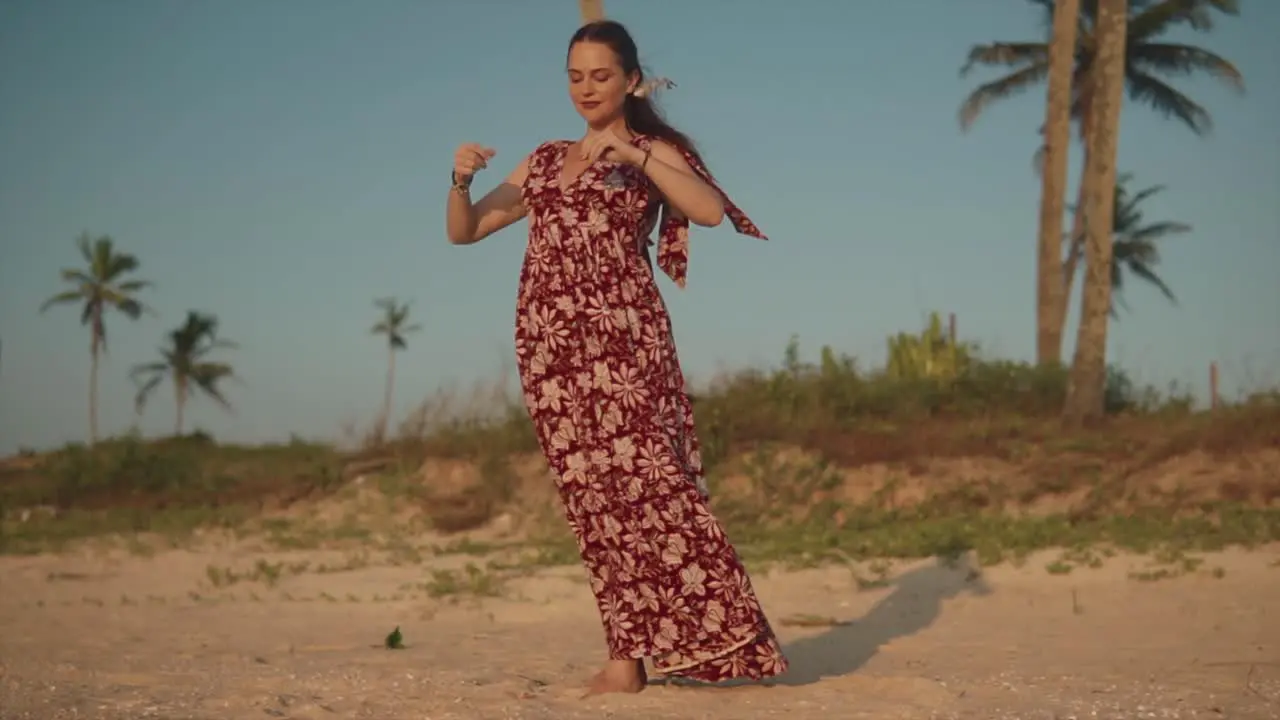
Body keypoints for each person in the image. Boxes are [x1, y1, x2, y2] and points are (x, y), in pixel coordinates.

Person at [444, 19, 789, 695]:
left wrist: (633, 158)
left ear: (632, 80)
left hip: (624, 347)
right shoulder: (544, 158)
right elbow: (470, 230)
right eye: (575, 77)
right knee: (592, 504)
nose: (586, 89)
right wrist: (458, 182)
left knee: (653, 487)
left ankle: (727, 632)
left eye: (601, 76)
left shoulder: (648, 149)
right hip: (550, 353)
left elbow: (709, 210)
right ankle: (625, 658)